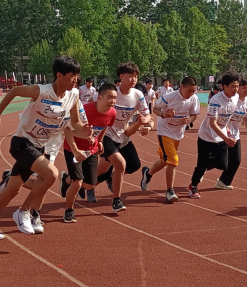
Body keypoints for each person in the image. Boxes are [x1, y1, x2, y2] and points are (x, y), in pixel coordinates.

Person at [0, 56, 88, 240]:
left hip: (39, 146)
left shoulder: (73, 95)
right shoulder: (41, 91)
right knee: (51, 174)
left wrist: (84, 130)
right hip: (22, 143)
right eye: (72, 75)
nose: (76, 79)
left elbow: (75, 123)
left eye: (77, 75)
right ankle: (23, 211)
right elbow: (14, 92)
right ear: (59, 75)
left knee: (12, 190)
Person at [95, 62, 151, 212]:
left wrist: (144, 121)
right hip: (106, 134)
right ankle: (117, 201)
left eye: (136, 76)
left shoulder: (137, 95)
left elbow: (147, 115)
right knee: (120, 164)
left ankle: (71, 181)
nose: (133, 79)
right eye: (130, 76)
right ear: (121, 76)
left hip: (123, 136)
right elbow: (94, 106)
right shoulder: (112, 93)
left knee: (133, 164)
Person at [59, 83, 117, 222]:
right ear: (99, 97)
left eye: (115, 98)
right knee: (77, 183)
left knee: (90, 185)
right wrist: (75, 149)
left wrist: (100, 140)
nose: (113, 101)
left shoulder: (112, 113)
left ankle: (66, 179)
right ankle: (69, 211)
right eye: (110, 97)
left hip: (91, 150)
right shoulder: (84, 110)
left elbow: (105, 125)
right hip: (73, 149)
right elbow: (67, 128)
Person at [140, 77, 200, 202]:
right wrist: (164, 115)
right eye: (189, 91)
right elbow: (155, 108)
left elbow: (194, 115)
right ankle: (170, 191)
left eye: (193, 91)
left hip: (178, 133)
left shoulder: (194, 98)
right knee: (173, 160)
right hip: (164, 131)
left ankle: (148, 173)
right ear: (181, 87)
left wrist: (189, 120)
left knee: (165, 160)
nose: (191, 94)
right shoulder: (169, 97)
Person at [188, 74, 239, 199]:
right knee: (201, 164)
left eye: (237, 86)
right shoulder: (215, 100)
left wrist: (226, 127)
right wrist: (226, 138)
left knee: (223, 164)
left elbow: (227, 115)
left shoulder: (236, 97)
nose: (236, 89)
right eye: (233, 86)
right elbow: (212, 123)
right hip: (206, 135)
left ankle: (204, 166)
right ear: (225, 87)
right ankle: (193, 186)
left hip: (220, 135)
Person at [214, 77, 247, 190]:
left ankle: (223, 182)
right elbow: (222, 115)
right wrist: (226, 127)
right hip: (222, 134)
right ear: (238, 88)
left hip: (235, 135)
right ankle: (201, 170)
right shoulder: (232, 100)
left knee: (236, 160)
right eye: (244, 88)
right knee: (219, 160)